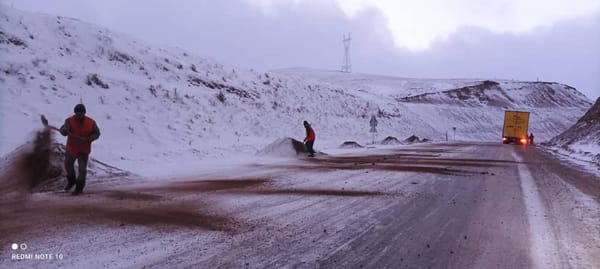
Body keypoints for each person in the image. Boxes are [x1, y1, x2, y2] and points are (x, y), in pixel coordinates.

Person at [59, 104, 100, 195]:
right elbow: (63, 130)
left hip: (84, 150)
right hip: (72, 149)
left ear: (84, 113)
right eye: (77, 112)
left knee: (82, 170)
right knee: (68, 165)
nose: (79, 114)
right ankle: (71, 181)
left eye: (81, 112)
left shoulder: (91, 122)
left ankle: (79, 187)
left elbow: (97, 133)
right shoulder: (69, 121)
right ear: (75, 112)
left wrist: (90, 138)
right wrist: (64, 131)